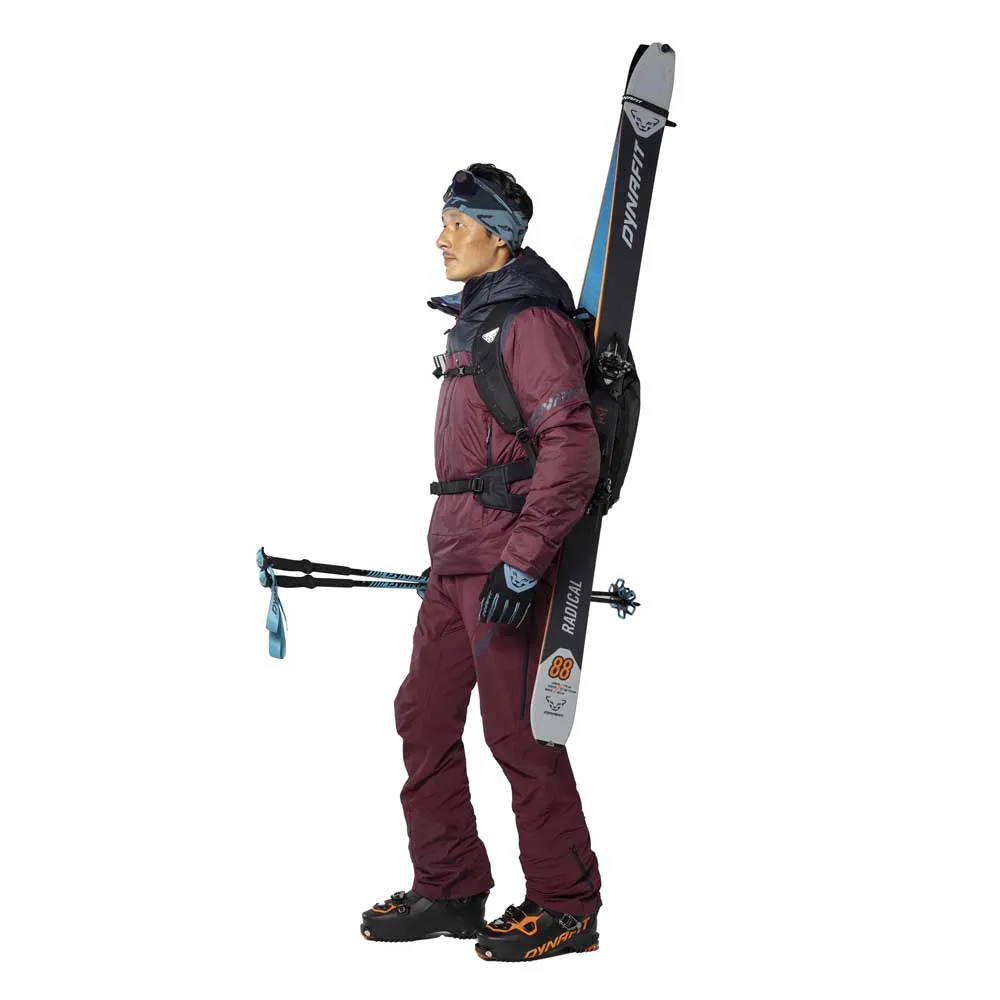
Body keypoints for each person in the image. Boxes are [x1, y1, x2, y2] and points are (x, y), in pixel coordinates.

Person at [360, 163, 602, 962]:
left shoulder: (528, 323)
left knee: (519, 734)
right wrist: (450, 561)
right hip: (455, 556)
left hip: (506, 562)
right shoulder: (475, 322)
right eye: (444, 221)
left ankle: (566, 906)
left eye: (457, 224)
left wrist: (524, 565)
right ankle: (452, 885)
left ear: (498, 239)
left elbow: (571, 450)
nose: (441, 238)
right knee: (423, 717)